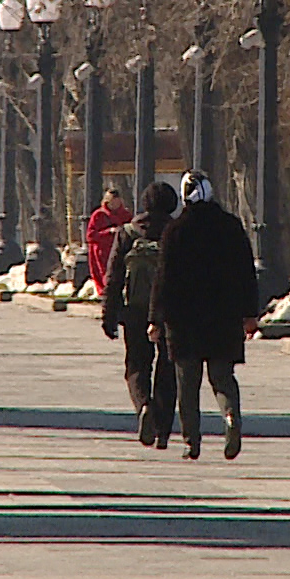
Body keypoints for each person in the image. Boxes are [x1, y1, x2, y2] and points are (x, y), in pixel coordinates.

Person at [148, 172, 260, 461]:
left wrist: (155, 318)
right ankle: (230, 415)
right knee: (222, 377)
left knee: (187, 384)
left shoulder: (175, 230)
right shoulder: (231, 226)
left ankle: (191, 441)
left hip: (184, 321)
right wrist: (250, 313)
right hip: (224, 318)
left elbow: (163, 279)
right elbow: (246, 273)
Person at [101, 181, 180, 448]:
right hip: (169, 311)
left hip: (135, 309)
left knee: (136, 364)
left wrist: (109, 314)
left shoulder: (128, 232)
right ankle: (163, 429)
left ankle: (143, 405)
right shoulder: (176, 233)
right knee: (168, 369)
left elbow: (113, 277)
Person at [83, 186, 132, 294]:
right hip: (102, 253)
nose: (114, 205)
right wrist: (108, 232)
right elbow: (90, 235)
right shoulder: (98, 215)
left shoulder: (126, 215)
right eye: (112, 202)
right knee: (105, 276)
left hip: (120, 251)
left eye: (116, 202)